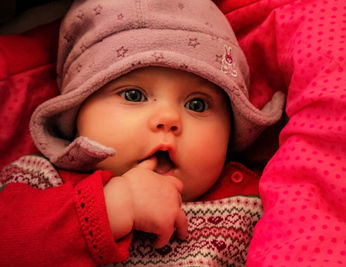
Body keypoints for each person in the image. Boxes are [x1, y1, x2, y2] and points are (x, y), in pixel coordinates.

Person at [0, 0, 284, 266]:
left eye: (197, 104)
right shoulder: (39, 179)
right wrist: (111, 209)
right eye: (134, 95)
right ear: (76, 111)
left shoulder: (252, 204)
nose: (169, 118)